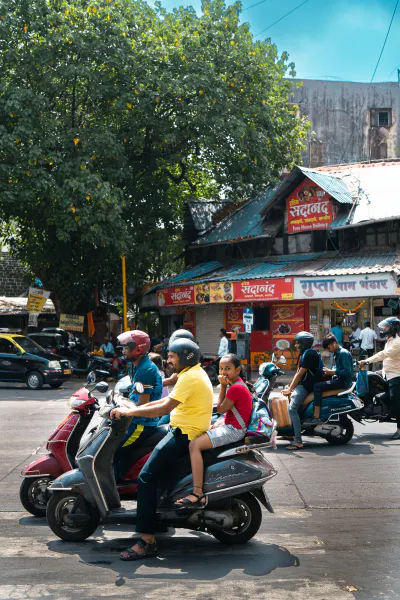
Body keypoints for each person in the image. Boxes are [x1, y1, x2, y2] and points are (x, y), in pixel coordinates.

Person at [111, 338, 213, 561]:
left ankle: (146, 541)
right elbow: (157, 405)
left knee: (145, 477)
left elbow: (164, 407)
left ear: (185, 357)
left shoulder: (188, 377)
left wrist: (130, 413)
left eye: (172, 357)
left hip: (183, 434)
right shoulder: (193, 373)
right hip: (183, 428)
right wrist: (134, 407)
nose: (167, 361)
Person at [175, 353, 252, 506]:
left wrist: (222, 386)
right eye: (221, 368)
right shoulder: (238, 384)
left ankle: (197, 492)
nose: (224, 372)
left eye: (228, 369)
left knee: (194, 445)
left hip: (233, 430)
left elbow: (222, 409)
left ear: (237, 370)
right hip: (230, 425)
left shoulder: (235, 387)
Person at [114, 330, 163, 481]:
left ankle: (116, 482)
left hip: (141, 423)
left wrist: (124, 410)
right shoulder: (136, 365)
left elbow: (142, 403)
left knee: (115, 450)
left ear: (138, 348)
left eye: (126, 348)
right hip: (133, 419)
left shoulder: (145, 369)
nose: (123, 351)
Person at [360, 317, 400, 440]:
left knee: (396, 401)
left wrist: (367, 361)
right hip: (387, 373)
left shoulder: (397, 342)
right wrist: (381, 371)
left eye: (387, 327)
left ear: (393, 328)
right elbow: (389, 359)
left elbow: (384, 355)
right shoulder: (390, 341)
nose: (385, 330)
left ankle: (399, 429)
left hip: (396, 375)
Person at [282, 331, 322, 450]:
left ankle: (298, 440)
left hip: (305, 386)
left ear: (303, 343)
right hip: (303, 384)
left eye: (298, 343)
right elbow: (298, 373)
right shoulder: (305, 353)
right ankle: (291, 432)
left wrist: (290, 389)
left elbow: (300, 374)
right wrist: (289, 386)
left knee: (292, 409)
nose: (296, 345)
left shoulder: (309, 354)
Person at [304, 334, 353, 425]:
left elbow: (347, 372)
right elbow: (338, 368)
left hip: (344, 382)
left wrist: (333, 372)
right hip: (339, 379)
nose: (329, 350)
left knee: (317, 386)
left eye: (328, 347)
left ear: (334, 343)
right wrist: (330, 372)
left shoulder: (343, 353)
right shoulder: (337, 353)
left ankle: (316, 416)